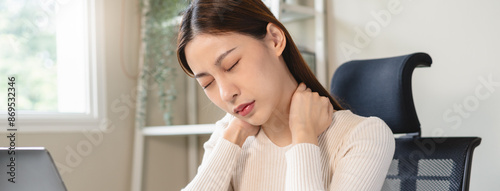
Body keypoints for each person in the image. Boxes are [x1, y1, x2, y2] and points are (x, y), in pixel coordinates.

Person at [176, 0, 395, 190]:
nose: (226, 93)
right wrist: (233, 137)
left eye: (231, 65)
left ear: (275, 39)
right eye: (208, 83)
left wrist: (303, 136)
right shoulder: (229, 137)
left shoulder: (363, 136)